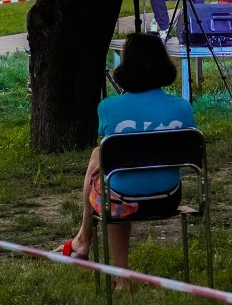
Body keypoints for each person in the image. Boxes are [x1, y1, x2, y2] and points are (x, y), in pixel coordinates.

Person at [53, 32, 196, 291]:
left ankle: (114, 272)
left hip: (123, 202)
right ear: (163, 64)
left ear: (125, 66)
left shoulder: (109, 107)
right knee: (106, 162)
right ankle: (82, 242)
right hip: (169, 198)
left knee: (106, 172)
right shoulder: (182, 108)